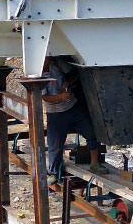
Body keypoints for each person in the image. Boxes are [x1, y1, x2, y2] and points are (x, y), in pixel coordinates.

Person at [42, 56, 108, 185]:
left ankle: (94, 163)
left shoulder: (57, 63)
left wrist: (66, 83)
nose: (48, 59)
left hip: (72, 107)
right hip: (55, 113)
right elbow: (45, 97)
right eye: (46, 58)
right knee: (55, 145)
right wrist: (60, 96)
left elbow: (74, 72)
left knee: (92, 132)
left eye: (48, 57)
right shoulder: (37, 72)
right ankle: (53, 172)